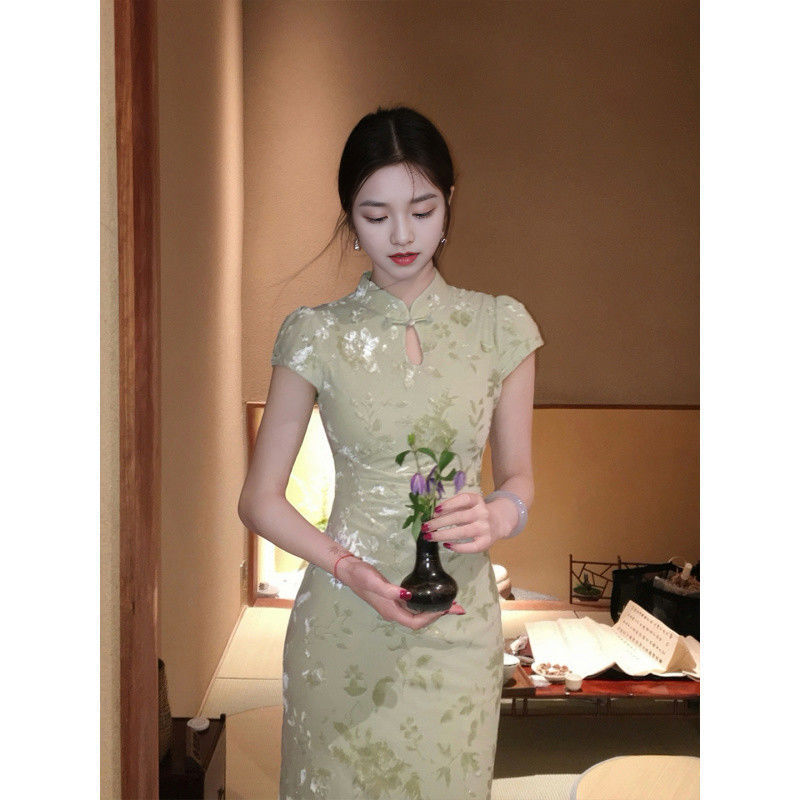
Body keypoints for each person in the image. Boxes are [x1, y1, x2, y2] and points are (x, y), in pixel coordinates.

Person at [238, 106, 544, 800]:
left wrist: (502, 514)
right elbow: (258, 500)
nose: (402, 235)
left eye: (422, 210)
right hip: (343, 618)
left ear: (449, 203)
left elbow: (519, 476)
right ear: (350, 218)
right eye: (376, 216)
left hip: (458, 629)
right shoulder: (314, 334)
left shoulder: (501, 326)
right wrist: (347, 567)